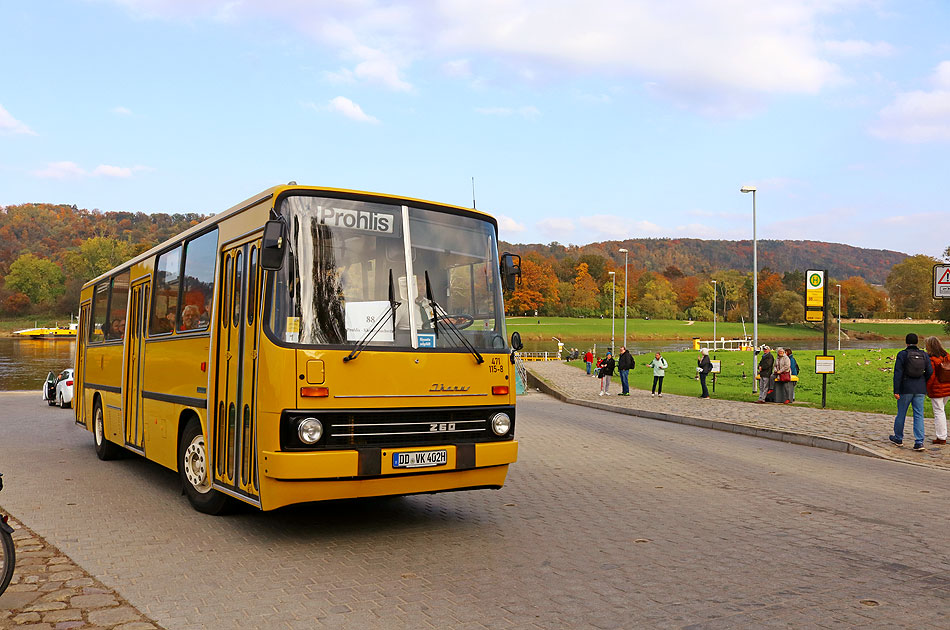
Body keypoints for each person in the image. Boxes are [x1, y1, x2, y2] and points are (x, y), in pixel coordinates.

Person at [890, 333, 933, 451]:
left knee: (901, 414)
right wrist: (923, 381)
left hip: (905, 388)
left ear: (906, 343)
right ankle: (919, 442)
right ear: (917, 342)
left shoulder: (902, 354)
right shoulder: (924, 355)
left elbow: (897, 373)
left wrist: (896, 390)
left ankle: (898, 438)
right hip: (920, 389)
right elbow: (930, 371)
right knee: (919, 415)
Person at [924, 336, 949, 445]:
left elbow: (931, 376)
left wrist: (927, 389)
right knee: (942, 410)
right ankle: (942, 435)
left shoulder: (932, 359)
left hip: (937, 389)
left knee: (939, 412)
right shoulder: (947, 356)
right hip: (948, 387)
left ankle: (941, 437)